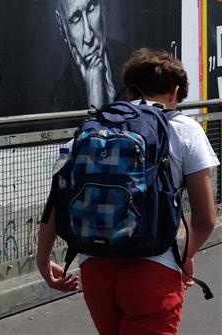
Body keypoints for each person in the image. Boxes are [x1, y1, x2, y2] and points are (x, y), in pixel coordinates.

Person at [37, 48, 219, 334]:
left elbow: (57, 198)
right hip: (154, 270)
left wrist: (43, 259)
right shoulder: (186, 130)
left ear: (130, 92)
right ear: (175, 92)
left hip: (95, 268)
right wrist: (185, 257)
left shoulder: (95, 127)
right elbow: (206, 217)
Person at [52, 0, 127, 111]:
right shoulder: (60, 98)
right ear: (62, 26)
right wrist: (94, 102)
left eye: (92, 7)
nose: (88, 36)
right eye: (76, 18)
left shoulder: (130, 60)